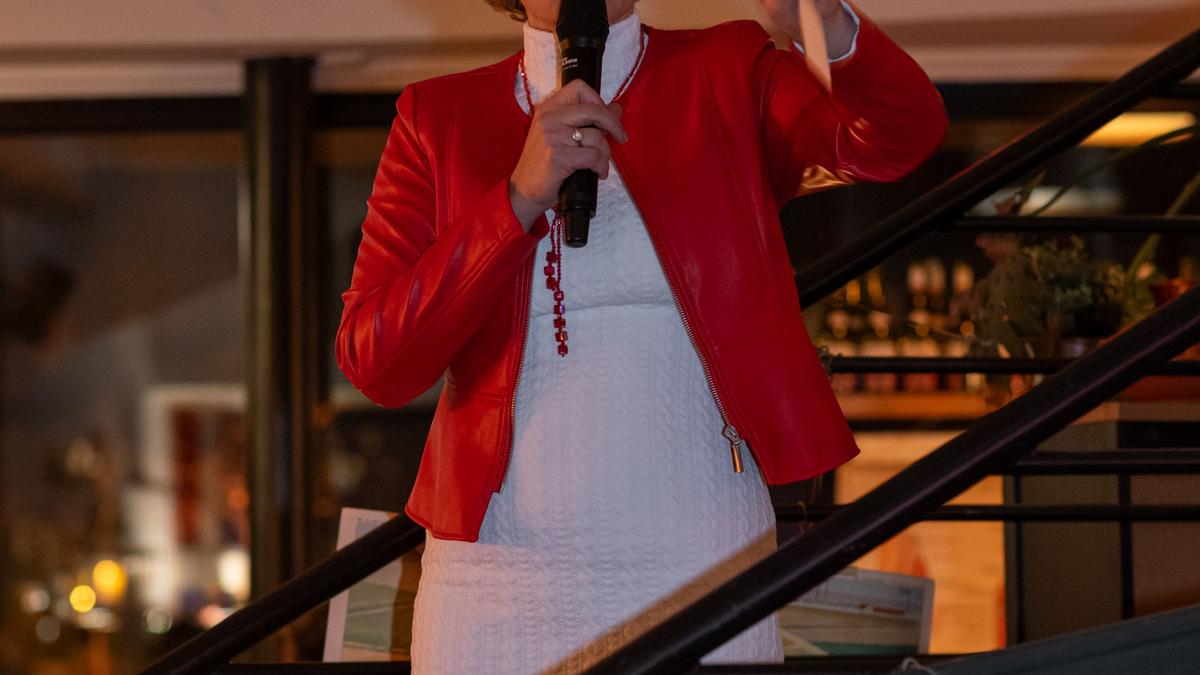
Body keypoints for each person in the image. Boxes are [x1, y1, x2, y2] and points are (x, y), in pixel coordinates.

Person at [335, 0, 946, 671]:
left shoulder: (726, 71)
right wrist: (517, 198)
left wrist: (820, 15)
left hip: (703, 559)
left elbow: (897, 137)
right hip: (497, 578)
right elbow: (376, 360)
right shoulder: (436, 117)